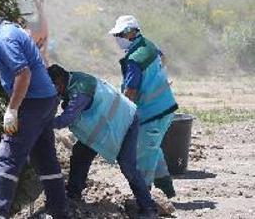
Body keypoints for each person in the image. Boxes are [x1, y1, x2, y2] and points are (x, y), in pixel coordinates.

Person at [0, 6, 69, 219]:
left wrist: (12, 109)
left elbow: (23, 74)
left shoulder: (4, 40)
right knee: (45, 156)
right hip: (46, 100)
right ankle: (60, 210)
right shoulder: (9, 29)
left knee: (7, 156)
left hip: (32, 102)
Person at [47, 64, 158, 218]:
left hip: (126, 122)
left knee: (128, 166)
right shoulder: (71, 80)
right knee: (80, 154)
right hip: (106, 127)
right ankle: (73, 195)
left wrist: (42, 123)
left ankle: (149, 208)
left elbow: (67, 119)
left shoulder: (80, 90)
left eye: (52, 87)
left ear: (59, 82)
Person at [109, 15, 178, 198]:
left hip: (153, 112)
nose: (118, 38)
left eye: (120, 34)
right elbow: (164, 60)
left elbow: (130, 91)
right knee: (153, 147)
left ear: (131, 33)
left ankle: (144, 197)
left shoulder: (135, 58)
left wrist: (122, 116)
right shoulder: (149, 45)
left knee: (145, 153)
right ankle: (167, 189)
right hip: (164, 107)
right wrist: (156, 79)